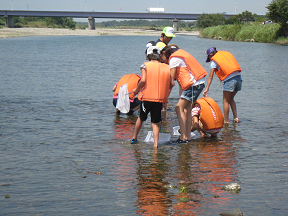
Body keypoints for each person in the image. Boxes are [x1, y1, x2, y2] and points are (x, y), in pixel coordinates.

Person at [160, 45, 207, 143]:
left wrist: (164, 97)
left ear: (164, 53)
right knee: (187, 109)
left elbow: (171, 82)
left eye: (161, 58)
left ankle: (183, 137)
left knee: (178, 108)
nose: (162, 61)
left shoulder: (173, 59)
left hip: (194, 85)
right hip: (198, 84)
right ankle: (187, 137)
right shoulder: (178, 56)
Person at [131, 46, 171, 148]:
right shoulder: (167, 67)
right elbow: (171, 83)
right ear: (160, 56)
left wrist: (136, 90)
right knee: (155, 123)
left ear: (148, 56)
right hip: (159, 99)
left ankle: (134, 138)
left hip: (146, 98)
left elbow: (143, 80)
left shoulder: (145, 66)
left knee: (141, 118)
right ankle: (156, 145)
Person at [203, 47, 242, 124]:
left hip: (230, 81)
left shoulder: (214, 61)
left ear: (211, 55)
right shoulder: (225, 54)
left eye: (209, 57)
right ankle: (236, 118)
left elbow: (211, 76)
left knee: (225, 101)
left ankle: (226, 121)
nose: (210, 58)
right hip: (238, 79)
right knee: (231, 99)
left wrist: (207, 88)